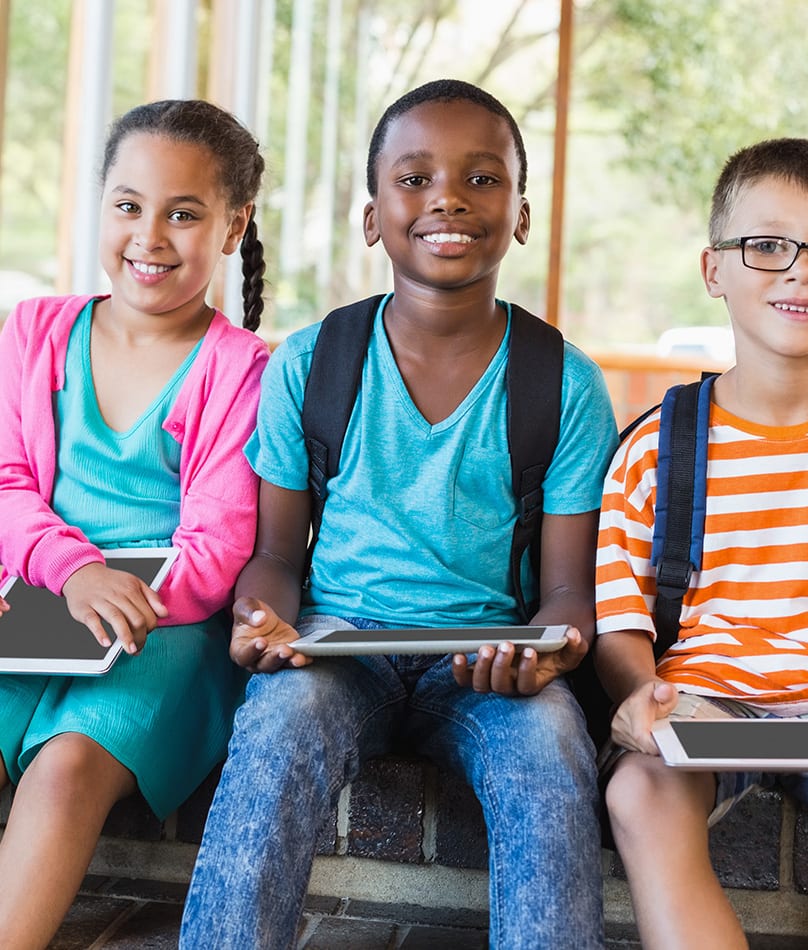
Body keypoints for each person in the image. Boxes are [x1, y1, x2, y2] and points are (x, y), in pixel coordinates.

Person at [180, 79, 618, 950]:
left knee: (548, 759)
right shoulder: (312, 361)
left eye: (482, 179)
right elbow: (275, 553)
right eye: (414, 179)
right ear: (374, 216)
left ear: (522, 212)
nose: (448, 197)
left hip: (489, 660)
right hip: (340, 644)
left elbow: (569, 591)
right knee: (276, 728)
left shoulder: (562, 382)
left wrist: (546, 652)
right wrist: (261, 614)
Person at [594, 136, 808, 950]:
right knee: (639, 795)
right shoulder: (654, 452)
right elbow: (622, 624)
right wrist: (640, 692)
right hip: (706, 698)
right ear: (714, 268)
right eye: (767, 246)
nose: (802, 271)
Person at [0, 99, 269, 949]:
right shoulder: (34, 331)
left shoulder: (245, 371)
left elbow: (219, 542)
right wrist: (69, 576)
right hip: (32, 602)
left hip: (164, 627)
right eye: (129, 205)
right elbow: (5, 483)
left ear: (233, 226)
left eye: (183, 213)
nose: (150, 234)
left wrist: (115, 599)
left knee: (70, 765)